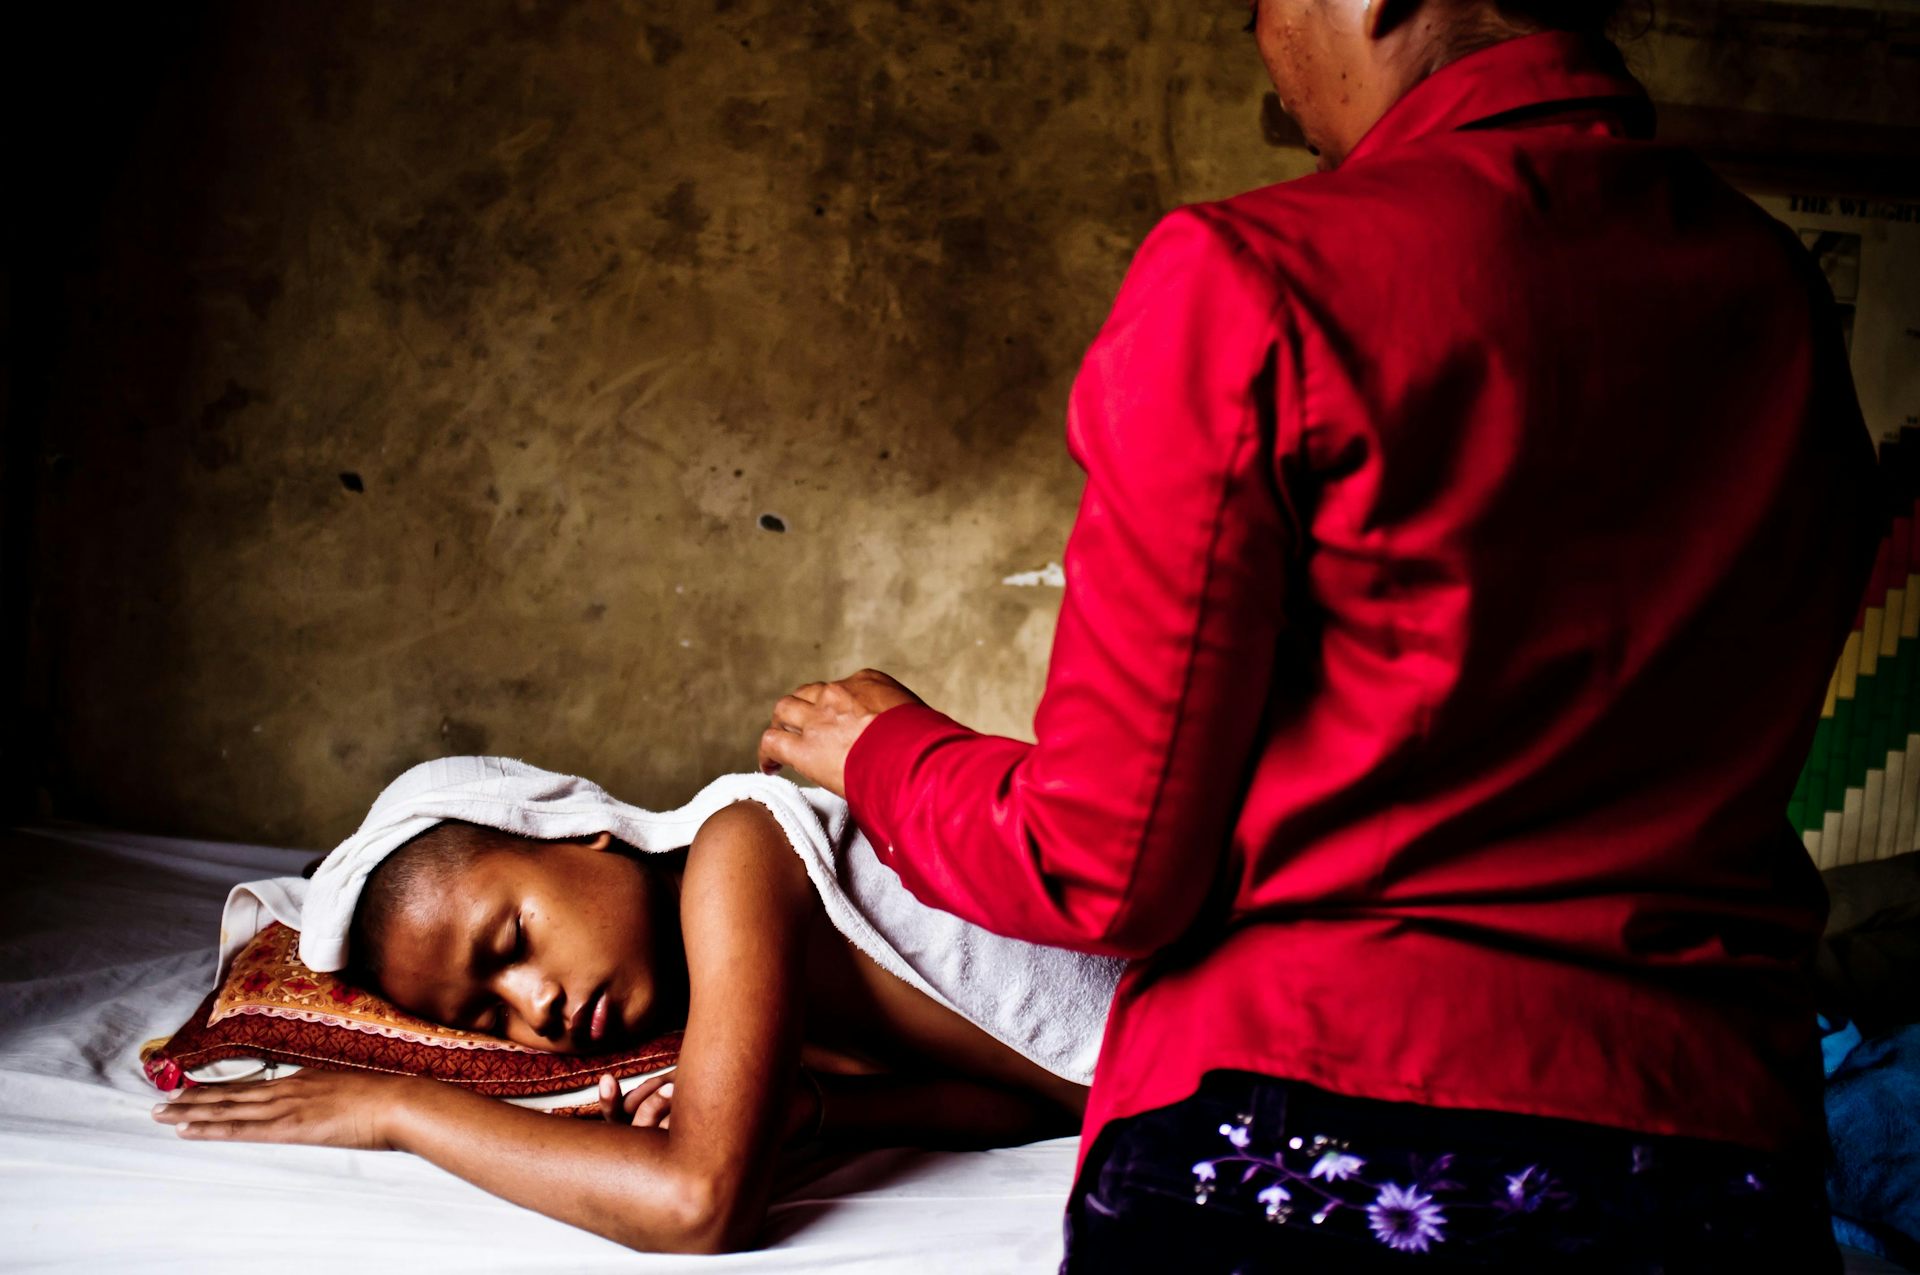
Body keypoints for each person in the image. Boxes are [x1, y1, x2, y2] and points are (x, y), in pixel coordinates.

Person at [757, 0, 1887, 1268]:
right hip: (1718, 1162)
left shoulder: (1262, 275)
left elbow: (1101, 866)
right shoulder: (1779, 293)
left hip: (1325, 1137)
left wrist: (884, 752)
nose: (1268, 53)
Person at [152, 777, 1096, 1255]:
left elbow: (697, 1207)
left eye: (512, 938)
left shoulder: (739, 848)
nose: (536, 1007)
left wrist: (402, 1109)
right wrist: (811, 1110)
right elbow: (1038, 1100)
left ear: (581, 835)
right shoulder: (723, 996)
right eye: (488, 1016)